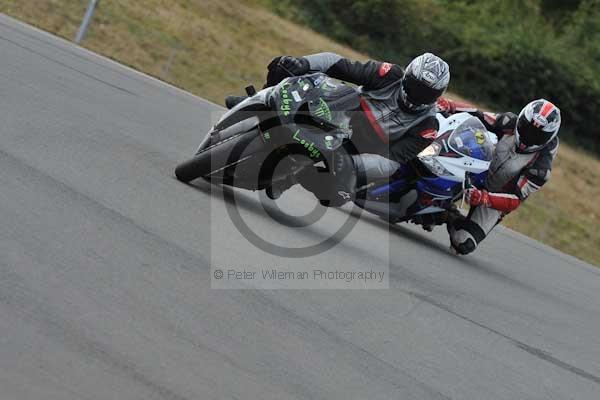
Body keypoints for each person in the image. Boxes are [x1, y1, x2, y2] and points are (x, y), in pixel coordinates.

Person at [226, 52, 450, 206]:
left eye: (425, 93)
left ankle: (292, 176)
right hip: (338, 112)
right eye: (414, 86)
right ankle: (260, 101)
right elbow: (337, 64)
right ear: (407, 77)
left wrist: (352, 164)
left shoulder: (428, 126)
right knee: (284, 64)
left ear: (436, 96)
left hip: (356, 150)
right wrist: (304, 62)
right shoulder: (389, 75)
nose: (416, 95)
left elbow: (391, 162)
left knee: (336, 196)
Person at [436, 97, 561, 255]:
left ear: (548, 137)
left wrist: (484, 198)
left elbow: (515, 199)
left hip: (496, 197)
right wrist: (451, 105)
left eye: (537, 134)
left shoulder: (541, 168)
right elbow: (478, 116)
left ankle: (447, 214)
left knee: (463, 242)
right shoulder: (509, 122)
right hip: (475, 172)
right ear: (522, 118)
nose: (528, 135)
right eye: (526, 127)